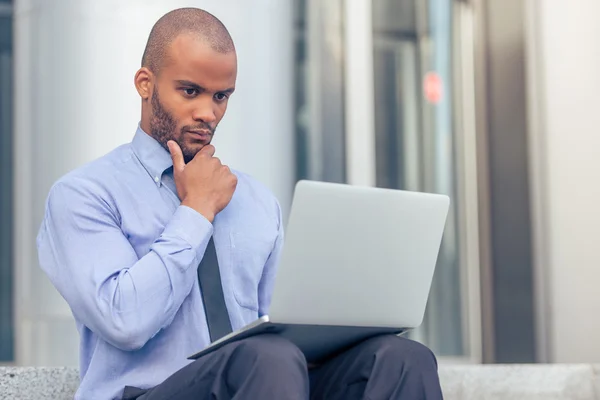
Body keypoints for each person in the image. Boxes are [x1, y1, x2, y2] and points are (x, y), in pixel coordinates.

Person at [37, 7, 444, 400]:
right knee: (266, 359)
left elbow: (283, 332)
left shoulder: (256, 202)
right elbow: (124, 320)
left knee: (401, 360)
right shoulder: (85, 194)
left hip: (267, 380)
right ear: (146, 84)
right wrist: (196, 212)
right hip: (150, 392)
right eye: (191, 91)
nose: (208, 113)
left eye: (221, 96)